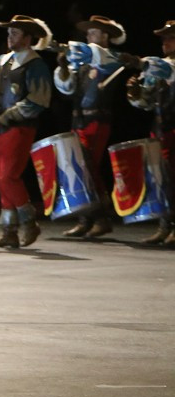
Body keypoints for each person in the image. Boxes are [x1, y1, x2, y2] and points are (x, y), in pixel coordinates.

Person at [0, 15, 53, 248]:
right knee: (1, 178)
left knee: (8, 176)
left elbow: (39, 100)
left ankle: (29, 221)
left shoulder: (36, 65)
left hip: (20, 126)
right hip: (2, 125)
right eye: (9, 33)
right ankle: (9, 231)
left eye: (15, 33)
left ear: (28, 38)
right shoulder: (2, 62)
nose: (10, 37)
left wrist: (11, 114)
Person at [53, 15, 126, 238]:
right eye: (88, 33)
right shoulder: (84, 63)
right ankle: (86, 219)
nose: (88, 37)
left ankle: (101, 218)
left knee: (87, 168)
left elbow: (98, 59)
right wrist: (64, 68)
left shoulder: (111, 58)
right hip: (79, 120)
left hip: (97, 120)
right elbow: (66, 90)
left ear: (106, 36)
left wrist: (69, 52)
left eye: (93, 33)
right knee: (80, 168)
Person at [125, 20, 175, 245]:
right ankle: (165, 225)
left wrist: (139, 62)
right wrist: (135, 94)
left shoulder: (161, 67)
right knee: (160, 178)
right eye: (163, 38)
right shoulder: (158, 67)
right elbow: (146, 103)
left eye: (170, 37)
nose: (165, 42)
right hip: (160, 128)